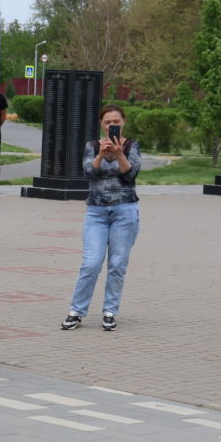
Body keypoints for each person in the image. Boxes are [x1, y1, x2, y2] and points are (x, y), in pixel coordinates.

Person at [60, 105, 141, 332]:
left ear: (123, 122)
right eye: (107, 122)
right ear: (101, 124)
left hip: (124, 210)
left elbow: (131, 174)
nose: (111, 125)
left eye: (116, 121)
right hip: (97, 212)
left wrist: (119, 154)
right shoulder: (93, 146)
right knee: (91, 263)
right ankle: (76, 311)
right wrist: (101, 156)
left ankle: (109, 312)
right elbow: (89, 173)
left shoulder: (132, 146)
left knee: (117, 264)